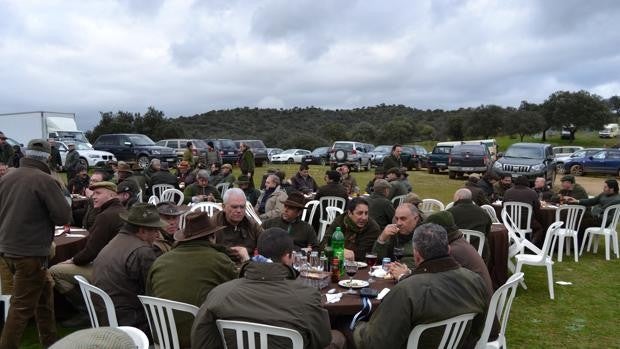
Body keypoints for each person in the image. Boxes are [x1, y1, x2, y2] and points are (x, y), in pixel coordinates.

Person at [191, 227, 345, 349]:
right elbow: (322, 339)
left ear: (258, 253)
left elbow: (201, 339)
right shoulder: (307, 296)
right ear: (288, 256)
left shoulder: (220, 294)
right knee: (338, 337)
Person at [353, 223, 489, 349]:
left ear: (416, 256)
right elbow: (477, 330)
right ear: (448, 249)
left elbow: (377, 344)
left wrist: (357, 327)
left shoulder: (407, 290)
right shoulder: (475, 280)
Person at [0, 139, 72, 349]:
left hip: (8, 249)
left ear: (25, 153)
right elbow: (62, 216)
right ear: (49, 157)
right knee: (21, 308)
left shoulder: (8, 176)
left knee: (44, 295)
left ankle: (50, 343)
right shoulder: (45, 180)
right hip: (29, 253)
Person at [147, 211, 237, 348]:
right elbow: (235, 297)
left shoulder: (160, 261)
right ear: (212, 237)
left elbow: (150, 295)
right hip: (201, 340)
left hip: (163, 338)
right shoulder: (219, 260)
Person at [49, 181, 126, 327]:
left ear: (112, 195)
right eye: (93, 194)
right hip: (119, 268)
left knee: (54, 271)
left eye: (98, 193)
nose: (94, 197)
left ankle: (87, 312)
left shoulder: (106, 216)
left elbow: (90, 253)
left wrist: (72, 260)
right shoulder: (120, 210)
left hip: (109, 272)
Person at [92, 203, 164, 336]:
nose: (158, 235)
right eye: (155, 230)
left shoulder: (115, 240)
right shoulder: (142, 251)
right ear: (142, 231)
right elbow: (153, 291)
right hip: (130, 321)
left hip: (105, 315)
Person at [424, 211, 494, 295]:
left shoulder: (452, 251)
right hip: (477, 296)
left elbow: (436, 281)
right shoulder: (458, 242)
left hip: (477, 303)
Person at [319, 197, 381, 261]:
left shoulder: (373, 228)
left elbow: (361, 255)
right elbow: (323, 244)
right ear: (349, 213)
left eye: (366, 213)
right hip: (337, 262)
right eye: (360, 213)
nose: (364, 217)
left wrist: (335, 249)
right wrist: (339, 250)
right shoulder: (341, 220)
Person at [214, 188, 263, 259]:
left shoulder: (252, 224)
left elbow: (265, 243)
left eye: (242, 207)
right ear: (224, 207)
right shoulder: (213, 225)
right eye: (234, 207)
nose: (239, 210)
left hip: (248, 264)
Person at [448, 188, 492, 263]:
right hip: (479, 250)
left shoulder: (450, 213)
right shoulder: (483, 212)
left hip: (455, 251)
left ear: (458, 198)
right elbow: (487, 232)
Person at [372, 203, 421, 269]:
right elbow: (376, 259)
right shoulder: (393, 234)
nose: (398, 223)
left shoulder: (424, 236)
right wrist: (382, 238)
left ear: (416, 218)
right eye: (397, 219)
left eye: (403, 219)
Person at [504, 175, 544, 246]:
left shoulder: (508, 192)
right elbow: (537, 208)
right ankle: (531, 245)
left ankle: (514, 243)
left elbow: (503, 206)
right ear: (527, 183)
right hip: (526, 222)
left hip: (510, 221)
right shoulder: (532, 193)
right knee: (539, 227)